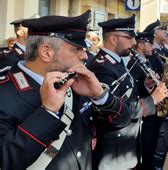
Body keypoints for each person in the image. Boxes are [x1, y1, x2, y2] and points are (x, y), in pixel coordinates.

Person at [0, 10, 131, 169]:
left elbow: (122, 122)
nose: (85, 56)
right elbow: (5, 159)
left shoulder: (74, 82)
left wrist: (100, 95)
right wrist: (47, 112)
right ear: (46, 52)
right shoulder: (4, 92)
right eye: (76, 49)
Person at [88, 15, 168, 169]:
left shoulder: (115, 61)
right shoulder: (102, 67)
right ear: (113, 39)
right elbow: (114, 112)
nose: (133, 42)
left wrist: (146, 86)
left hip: (124, 145)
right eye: (130, 37)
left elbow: (127, 95)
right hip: (113, 151)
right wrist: (152, 100)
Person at [127, 30, 166, 168]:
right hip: (142, 109)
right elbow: (134, 91)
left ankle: (149, 162)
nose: (153, 47)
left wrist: (150, 85)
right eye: (150, 44)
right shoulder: (134, 64)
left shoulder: (145, 61)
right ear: (142, 45)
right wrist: (151, 93)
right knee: (145, 141)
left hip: (147, 107)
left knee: (150, 139)